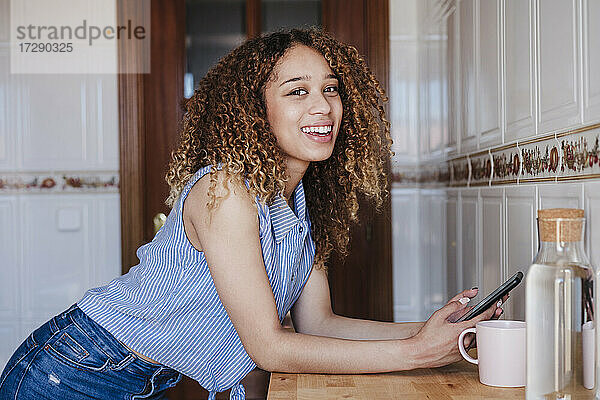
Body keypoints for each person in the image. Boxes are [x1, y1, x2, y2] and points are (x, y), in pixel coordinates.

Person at [0, 28, 503, 400]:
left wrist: (438, 330)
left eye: (330, 88)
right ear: (254, 109)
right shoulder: (228, 191)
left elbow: (319, 324)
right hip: (67, 370)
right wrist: (416, 354)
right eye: (297, 91)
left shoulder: (302, 204)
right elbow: (269, 347)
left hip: (136, 380)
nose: (323, 105)